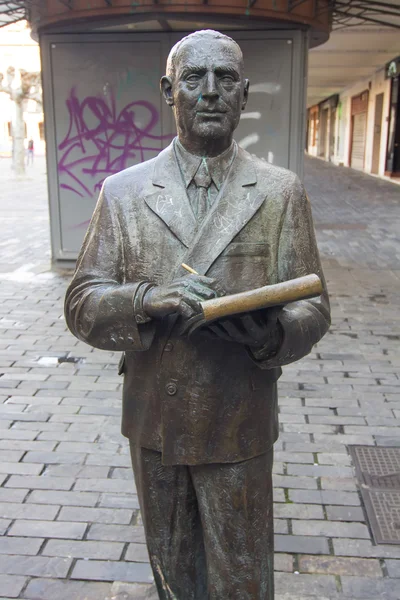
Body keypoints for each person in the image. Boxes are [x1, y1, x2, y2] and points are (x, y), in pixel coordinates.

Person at [65, 29, 330, 599]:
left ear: (244, 94)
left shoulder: (281, 193)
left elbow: (314, 304)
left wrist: (274, 332)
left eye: (225, 79)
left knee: (242, 578)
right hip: (156, 417)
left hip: (239, 417)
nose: (210, 92)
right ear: (169, 90)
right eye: (194, 78)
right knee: (174, 576)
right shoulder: (123, 193)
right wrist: (142, 301)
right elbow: (82, 302)